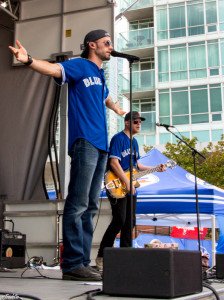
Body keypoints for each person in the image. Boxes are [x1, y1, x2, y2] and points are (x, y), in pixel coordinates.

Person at [9, 29, 125, 281]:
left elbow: (104, 97)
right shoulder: (79, 65)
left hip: (102, 145)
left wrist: (116, 107)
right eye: (106, 43)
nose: (110, 47)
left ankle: (83, 261)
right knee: (79, 203)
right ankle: (72, 264)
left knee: (92, 205)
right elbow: (53, 70)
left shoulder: (99, 75)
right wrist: (29, 60)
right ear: (92, 45)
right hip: (84, 142)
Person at [95, 111, 166, 272]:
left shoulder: (134, 142)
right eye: (135, 122)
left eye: (140, 122)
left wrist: (156, 168)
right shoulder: (118, 139)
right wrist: (126, 181)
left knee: (130, 222)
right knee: (119, 219)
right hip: (117, 184)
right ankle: (101, 256)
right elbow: (114, 162)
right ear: (127, 123)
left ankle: (125, 258)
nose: (139, 124)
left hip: (131, 186)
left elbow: (137, 166)